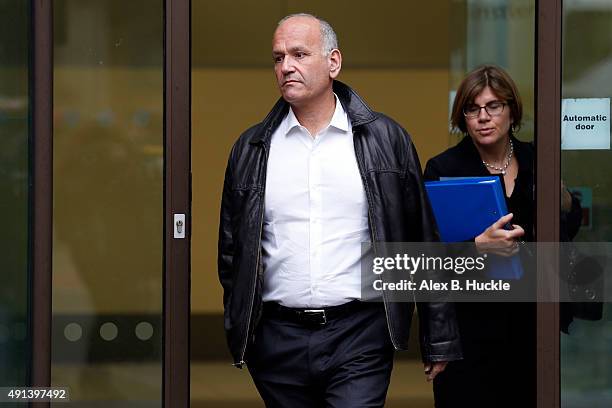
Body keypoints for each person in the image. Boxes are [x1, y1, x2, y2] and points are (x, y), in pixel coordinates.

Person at [218, 13, 461, 408]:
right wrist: (243, 331)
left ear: (334, 62)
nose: (286, 67)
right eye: (278, 58)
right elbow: (232, 253)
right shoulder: (251, 149)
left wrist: (439, 337)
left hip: (360, 333)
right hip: (277, 340)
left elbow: (421, 242)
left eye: (299, 54)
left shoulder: (386, 139)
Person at [424, 65, 582, 408]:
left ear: (512, 111)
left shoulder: (540, 159)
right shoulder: (444, 168)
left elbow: (566, 233)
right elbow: (428, 256)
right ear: (463, 117)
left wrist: (566, 205)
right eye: (472, 108)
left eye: (493, 106)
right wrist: (478, 247)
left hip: (532, 322)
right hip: (470, 327)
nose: (483, 117)